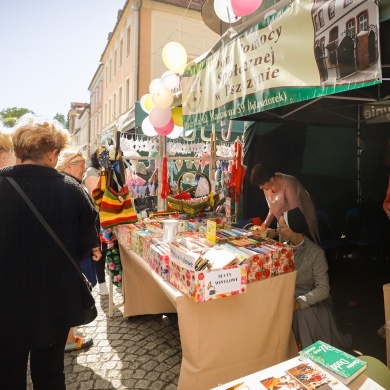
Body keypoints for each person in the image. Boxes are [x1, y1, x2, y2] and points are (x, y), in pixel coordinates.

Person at [0, 114, 99, 389]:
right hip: (54, 301)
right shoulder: (74, 191)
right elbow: (84, 247)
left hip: (5, 302)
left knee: (7, 374)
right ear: (53, 154)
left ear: (18, 150)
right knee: (50, 373)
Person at [277, 207, 352, 350]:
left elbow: (323, 289)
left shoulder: (316, 253)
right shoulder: (283, 250)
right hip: (289, 298)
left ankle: (308, 356)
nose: (279, 231)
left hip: (313, 301)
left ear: (292, 228)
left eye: (281, 227)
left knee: (301, 315)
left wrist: (299, 303)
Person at [56, 146, 102, 352]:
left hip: (68, 251)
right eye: (81, 166)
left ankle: (68, 335)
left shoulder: (60, 185)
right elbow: (85, 222)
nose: (84, 169)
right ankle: (68, 339)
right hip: (74, 252)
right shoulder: (70, 186)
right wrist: (94, 246)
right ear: (68, 165)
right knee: (72, 294)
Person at [250, 163, 320, 243]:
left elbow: (296, 218)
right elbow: (273, 206)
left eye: (262, 184)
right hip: (284, 224)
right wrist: (266, 223)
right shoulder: (267, 185)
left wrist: (276, 232)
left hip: (303, 221)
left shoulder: (289, 186)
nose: (260, 187)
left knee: (303, 249)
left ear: (271, 179)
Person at [82, 148, 109, 295]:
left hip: (110, 214)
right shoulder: (92, 171)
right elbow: (96, 195)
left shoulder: (108, 170)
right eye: (103, 154)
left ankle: (109, 280)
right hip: (99, 215)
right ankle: (102, 283)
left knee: (108, 248)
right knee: (101, 248)